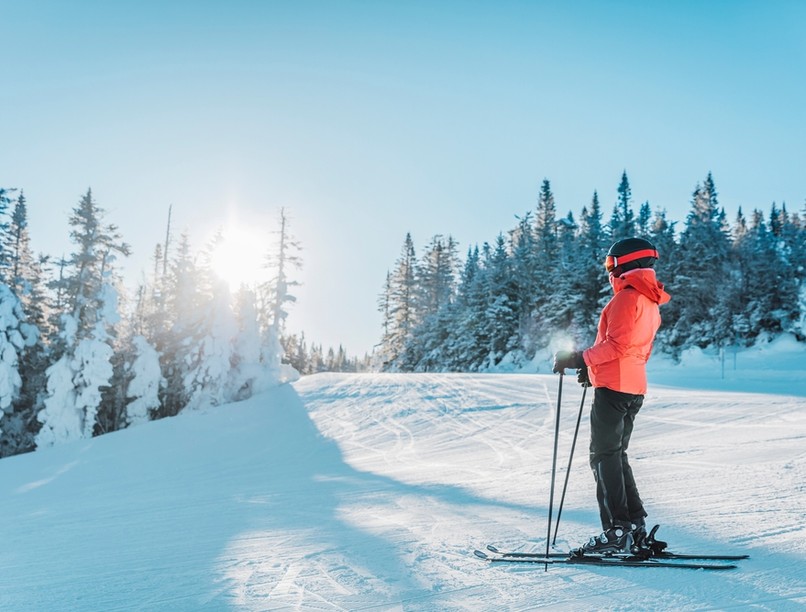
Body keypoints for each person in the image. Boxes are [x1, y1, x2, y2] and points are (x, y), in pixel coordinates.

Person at [552, 237, 671, 555]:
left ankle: (617, 531)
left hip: (615, 390)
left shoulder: (625, 300)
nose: (609, 270)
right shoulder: (649, 302)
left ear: (627, 263)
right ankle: (635, 526)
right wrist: (592, 371)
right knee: (616, 455)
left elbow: (616, 346)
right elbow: (635, 352)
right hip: (633, 388)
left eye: (610, 264)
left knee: (603, 457)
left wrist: (579, 359)